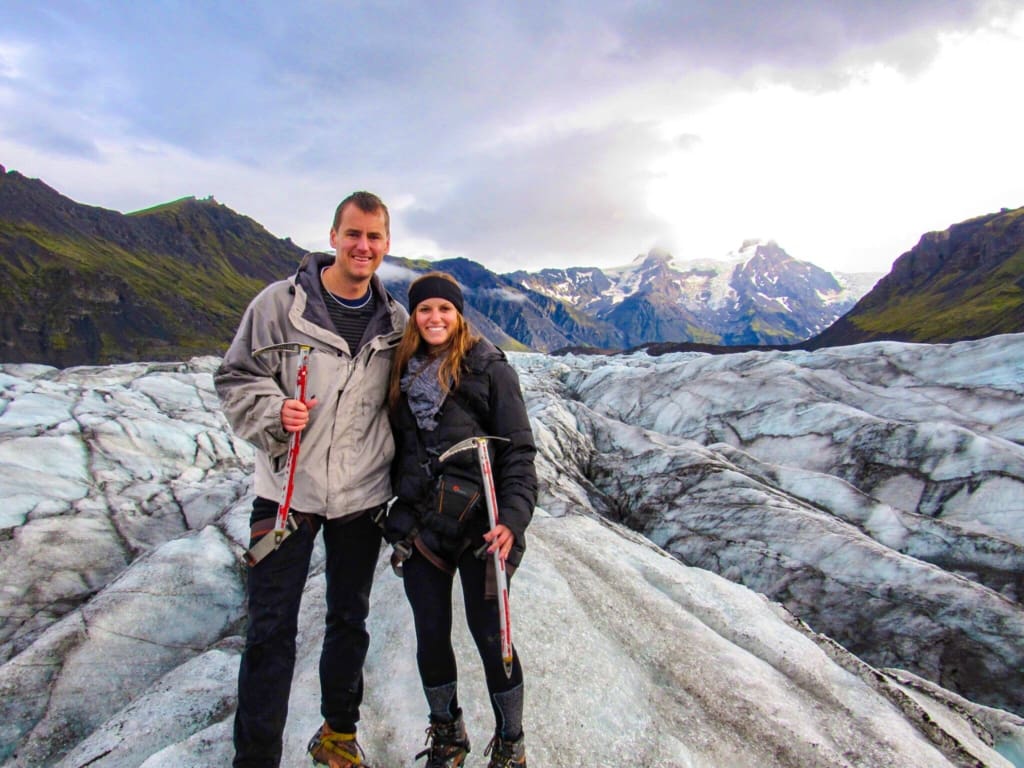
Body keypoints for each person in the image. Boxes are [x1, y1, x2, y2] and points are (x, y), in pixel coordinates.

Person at [214, 191, 407, 768]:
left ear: (387, 245)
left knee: (349, 622)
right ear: (332, 236)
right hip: (286, 493)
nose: (362, 246)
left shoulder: (396, 324)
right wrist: (275, 412)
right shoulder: (279, 304)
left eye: (374, 237)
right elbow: (235, 378)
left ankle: (337, 740)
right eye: (353, 234)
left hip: (361, 496)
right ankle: (256, 759)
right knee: (271, 631)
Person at [385, 272, 537, 768]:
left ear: (459, 314)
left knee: (493, 637)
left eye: (444, 310)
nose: (434, 318)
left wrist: (513, 519)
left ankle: (510, 742)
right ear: (415, 316)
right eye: (425, 310)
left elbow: (519, 452)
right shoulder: (400, 370)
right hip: (424, 528)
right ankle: (449, 735)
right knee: (431, 633)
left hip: (482, 527)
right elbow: (399, 450)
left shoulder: (490, 369)